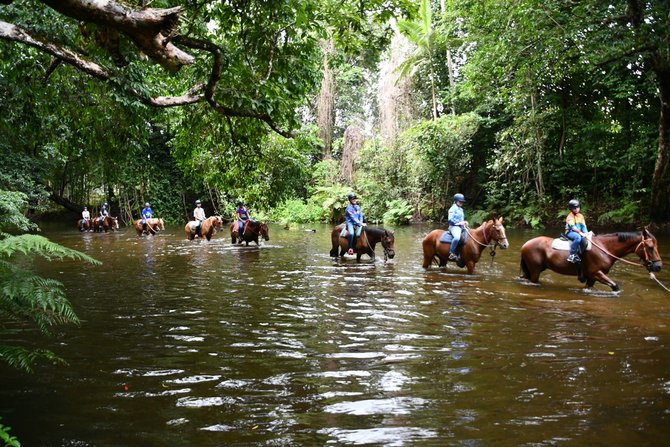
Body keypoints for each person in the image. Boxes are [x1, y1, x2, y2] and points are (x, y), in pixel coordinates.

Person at [565, 199, 588, 263]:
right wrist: (581, 233)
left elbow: (583, 226)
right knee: (578, 237)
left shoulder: (581, 216)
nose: (577, 209)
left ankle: (581, 254)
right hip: (570, 232)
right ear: (571, 209)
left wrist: (586, 233)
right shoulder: (569, 217)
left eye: (578, 207)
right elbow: (573, 227)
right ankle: (572, 255)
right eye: (574, 208)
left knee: (586, 238)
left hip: (579, 232)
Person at [448, 193, 468, 261]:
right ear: (456, 201)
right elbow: (450, 219)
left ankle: (461, 253)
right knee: (457, 238)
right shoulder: (452, 209)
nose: (461, 203)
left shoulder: (461, 209)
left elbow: (461, 219)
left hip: (461, 227)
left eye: (462, 202)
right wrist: (459, 223)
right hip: (454, 227)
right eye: (460, 201)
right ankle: (451, 253)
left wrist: (464, 223)